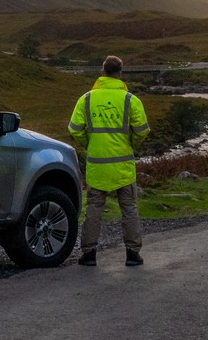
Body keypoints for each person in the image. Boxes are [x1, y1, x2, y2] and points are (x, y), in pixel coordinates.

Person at [68, 54, 150, 267]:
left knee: (94, 208)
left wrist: (89, 143)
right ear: (120, 74)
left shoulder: (86, 99)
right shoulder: (130, 100)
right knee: (129, 208)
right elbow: (142, 130)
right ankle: (132, 253)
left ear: (102, 72)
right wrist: (131, 143)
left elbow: (74, 128)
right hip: (123, 166)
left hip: (97, 166)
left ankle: (89, 254)